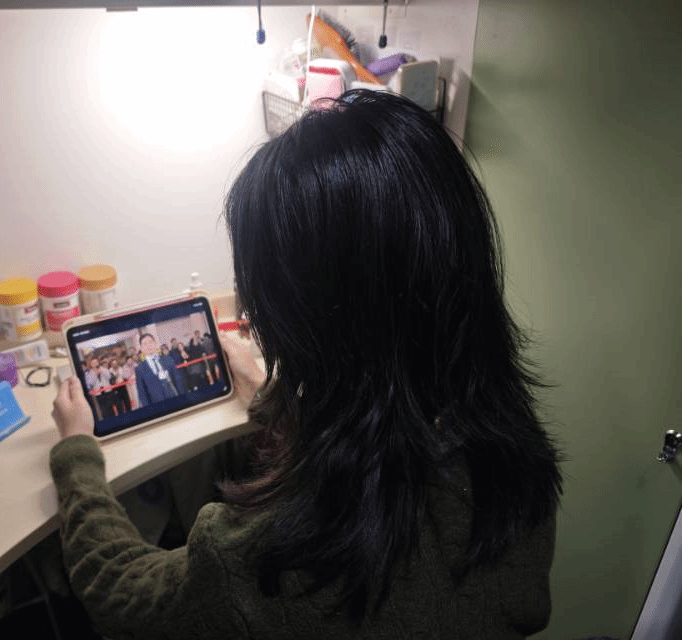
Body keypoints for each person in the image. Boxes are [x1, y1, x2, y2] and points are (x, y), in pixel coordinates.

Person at [49, 89, 562, 638]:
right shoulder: (517, 470)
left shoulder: (261, 564)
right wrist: (264, 391)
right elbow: (381, 408)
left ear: (301, 322)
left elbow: (118, 587)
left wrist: (77, 455)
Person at [133, 333, 179, 405]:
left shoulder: (167, 359)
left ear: (155, 344)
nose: (148, 345)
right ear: (141, 348)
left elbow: (178, 381)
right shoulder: (139, 369)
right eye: (145, 344)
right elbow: (142, 394)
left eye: (150, 342)